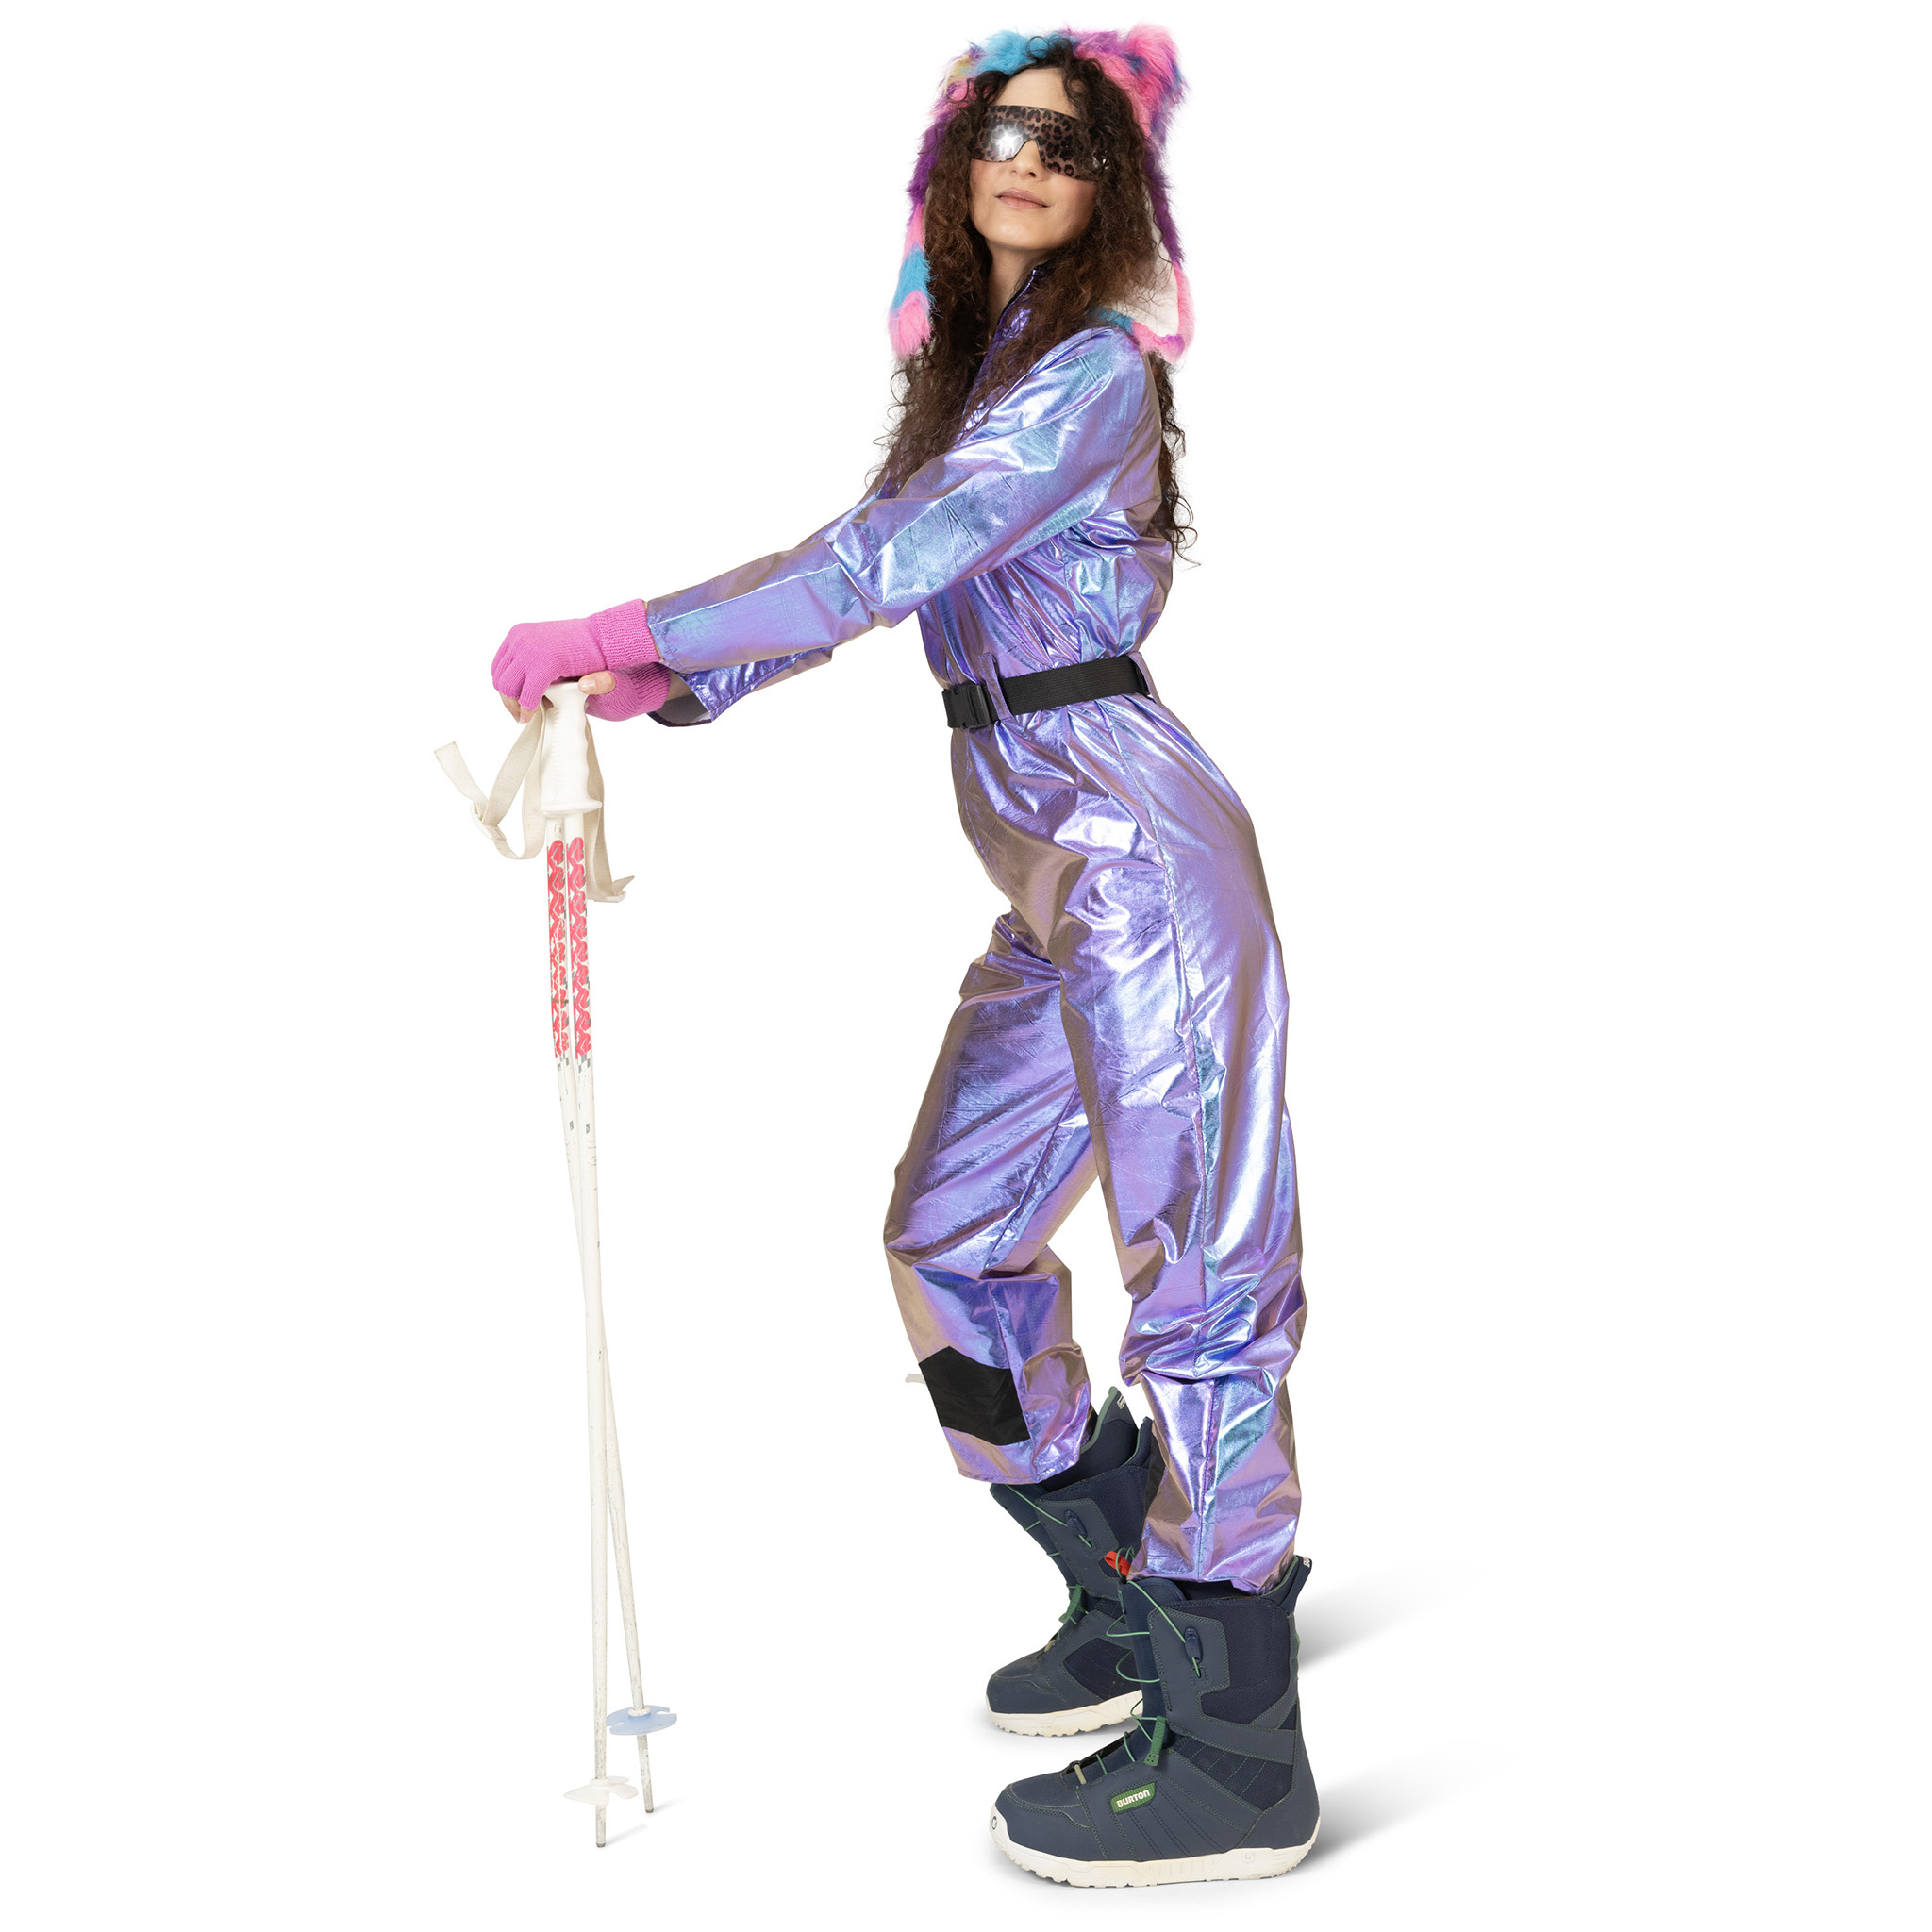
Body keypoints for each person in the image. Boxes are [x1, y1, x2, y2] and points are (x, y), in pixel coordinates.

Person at [490, 27, 1319, 1886]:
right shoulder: (985, 373)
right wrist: (675, 679)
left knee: (1200, 1284)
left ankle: (1239, 1745)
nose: (1027, 160)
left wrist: (628, 622)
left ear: (1114, 194)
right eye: (1000, 129)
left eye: (1070, 144)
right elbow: (883, 560)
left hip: (1143, 859)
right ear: (952, 163)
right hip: (1052, 872)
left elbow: (890, 561)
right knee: (948, 1240)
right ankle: (1135, 1586)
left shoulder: (1090, 372)